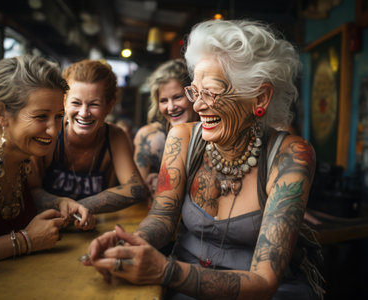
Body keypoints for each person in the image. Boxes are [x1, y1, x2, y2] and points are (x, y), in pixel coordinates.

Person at [84, 19, 325, 300]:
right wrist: (133, 242)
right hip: (185, 281)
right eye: (195, 92)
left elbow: (264, 281)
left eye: (210, 92)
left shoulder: (291, 156)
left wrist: (166, 272)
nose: (197, 106)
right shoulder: (181, 138)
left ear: (259, 97)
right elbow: (162, 217)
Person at [0, 55, 94, 281]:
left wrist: (59, 202)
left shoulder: (19, 148)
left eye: (59, 116)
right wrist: (24, 241)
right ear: (0, 113)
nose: (54, 131)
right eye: (41, 117)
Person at [29, 59, 148, 214]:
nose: (84, 113)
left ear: (109, 106)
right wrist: (61, 204)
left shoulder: (114, 136)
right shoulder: (49, 133)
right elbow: (30, 189)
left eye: (94, 104)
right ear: (64, 102)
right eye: (76, 103)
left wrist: (81, 207)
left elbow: (136, 188)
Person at [133, 59, 198, 196]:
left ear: (193, 94)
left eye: (177, 97)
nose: (171, 107)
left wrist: (165, 183)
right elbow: (135, 192)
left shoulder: (212, 132)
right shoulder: (149, 137)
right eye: (163, 100)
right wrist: (150, 185)